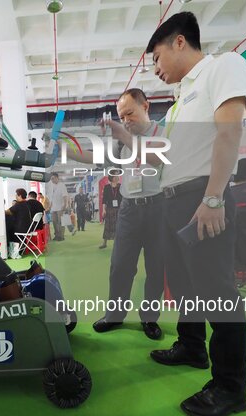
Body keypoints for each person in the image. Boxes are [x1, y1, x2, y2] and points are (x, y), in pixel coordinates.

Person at [146, 11, 246, 416]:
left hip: (202, 194)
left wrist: (212, 199)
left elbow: (229, 132)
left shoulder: (223, 67)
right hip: (174, 199)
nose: (155, 69)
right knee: (185, 285)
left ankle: (230, 386)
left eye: (156, 58)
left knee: (218, 292)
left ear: (178, 42)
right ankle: (191, 347)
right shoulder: (177, 104)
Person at [66, 88, 165, 340]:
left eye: (130, 113)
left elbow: (155, 160)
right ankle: (115, 315)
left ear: (146, 106)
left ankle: (150, 318)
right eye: (122, 117)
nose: (126, 120)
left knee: (156, 268)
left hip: (159, 207)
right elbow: (96, 157)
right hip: (129, 208)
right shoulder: (121, 143)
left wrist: (123, 133)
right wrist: (66, 151)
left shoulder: (163, 134)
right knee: (120, 266)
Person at [5, 188, 32, 259]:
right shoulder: (27, 203)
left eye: (16, 195)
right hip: (28, 228)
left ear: (20, 196)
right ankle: (18, 249)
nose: (15, 197)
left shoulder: (19, 205)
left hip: (20, 229)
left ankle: (12, 251)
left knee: (8, 230)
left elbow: (7, 211)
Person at [99, 176, 121, 249]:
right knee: (107, 226)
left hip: (119, 209)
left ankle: (117, 244)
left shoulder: (120, 186)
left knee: (118, 227)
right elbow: (104, 200)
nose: (118, 177)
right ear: (112, 177)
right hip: (109, 209)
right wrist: (104, 210)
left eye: (118, 176)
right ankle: (104, 243)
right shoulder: (107, 187)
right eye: (116, 176)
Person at [46, 172, 68, 241]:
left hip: (60, 207)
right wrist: (49, 207)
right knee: (54, 222)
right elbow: (51, 198)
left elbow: (65, 196)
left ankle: (61, 236)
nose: (52, 180)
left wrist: (64, 205)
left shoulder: (62, 185)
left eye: (53, 178)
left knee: (61, 222)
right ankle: (56, 235)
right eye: (51, 179)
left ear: (57, 178)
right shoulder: (51, 186)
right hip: (53, 208)